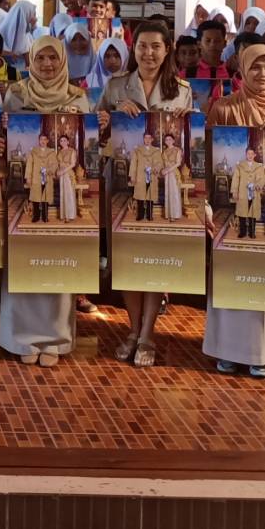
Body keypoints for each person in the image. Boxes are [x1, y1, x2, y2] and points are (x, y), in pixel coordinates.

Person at [97, 19, 193, 367]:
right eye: (142, 46)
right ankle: (132, 328)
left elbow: (188, 142)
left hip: (162, 186)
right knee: (127, 257)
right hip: (124, 183)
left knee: (154, 255)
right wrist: (110, 118)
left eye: (156, 46)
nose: (148, 53)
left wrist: (186, 122)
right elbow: (94, 135)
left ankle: (147, 333)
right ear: (133, 49)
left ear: (167, 50)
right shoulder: (116, 85)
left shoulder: (181, 90)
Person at [205, 44, 265, 379]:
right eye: (255, 67)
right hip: (233, 205)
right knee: (234, 270)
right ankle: (228, 350)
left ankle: (263, 353)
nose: (262, 74)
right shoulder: (225, 108)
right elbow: (210, 156)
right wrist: (207, 202)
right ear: (243, 70)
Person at [0, 36, 90, 368]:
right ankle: (19, 336)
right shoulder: (16, 94)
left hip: (62, 181)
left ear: (63, 61)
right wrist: (1, 139)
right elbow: (4, 138)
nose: (47, 64)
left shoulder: (77, 98)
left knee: (58, 256)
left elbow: (86, 144)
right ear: (31, 61)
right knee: (25, 255)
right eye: (40, 58)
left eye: (53, 58)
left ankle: (55, 338)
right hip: (26, 186)